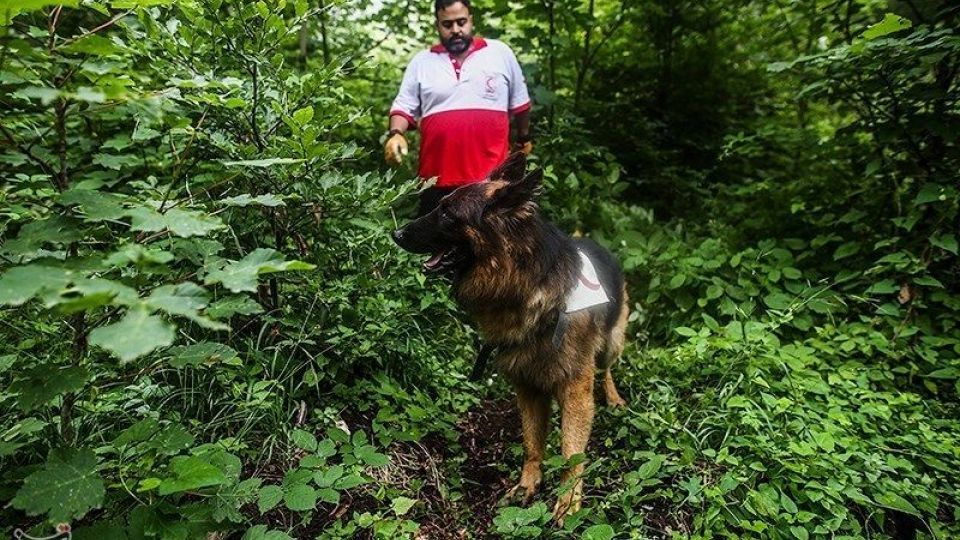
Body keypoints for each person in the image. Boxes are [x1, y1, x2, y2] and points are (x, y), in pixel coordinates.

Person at [384, 0, 532, 215]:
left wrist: (524, 138)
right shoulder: (422, 62)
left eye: (461, 22)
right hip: (437, 182)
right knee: (439, 247)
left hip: (491, 182)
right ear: (437, 25)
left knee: (491, 246)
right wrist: (396, 133)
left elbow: (520, 103)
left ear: (471, 20)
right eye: (447, 24)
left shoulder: (500, 53)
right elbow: (404, 106)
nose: (455, 30)